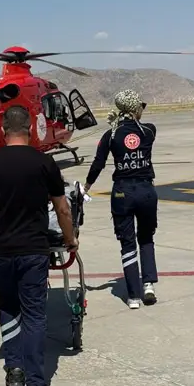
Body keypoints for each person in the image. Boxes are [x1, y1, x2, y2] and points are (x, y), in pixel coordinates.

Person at [0, 105, 77, 386]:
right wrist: (70, 239)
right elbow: (62, 208)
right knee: (34, 314)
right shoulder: (44, 162)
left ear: (3, 130)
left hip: (1, 249)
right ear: (30, 129)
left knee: (8, 306)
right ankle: (36, 384)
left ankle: (14, 368)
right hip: (33, 249)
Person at [84, 89, 158, 309]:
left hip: (122, 193)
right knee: (146, 238)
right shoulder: (149, 131)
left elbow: (98, 163)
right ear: (135, 108)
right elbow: (137, 133)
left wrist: (87, 186)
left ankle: (133, 296)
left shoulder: (111, 135)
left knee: (127, 242)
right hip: (146, 191)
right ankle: (148, 285)